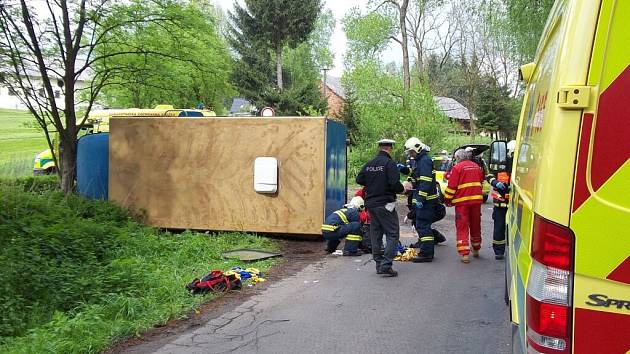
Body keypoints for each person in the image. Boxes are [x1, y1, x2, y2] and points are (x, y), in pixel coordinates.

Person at [356, 138, 407, 277]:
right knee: (392, 233)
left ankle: (379, 264)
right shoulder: (389, 163)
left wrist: (372, 183)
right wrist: (404, 190)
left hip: (371, 204)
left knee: (376, 234)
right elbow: (394, 184)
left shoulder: (369, 164)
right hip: (385, 204)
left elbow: (359, 179)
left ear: (379, 148)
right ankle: (386, 265)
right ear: (390, 148)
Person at [400, 137, 440, 263]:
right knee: (420, 224)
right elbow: (415, 177)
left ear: (417, 148)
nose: (411, 154)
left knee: (423, 225)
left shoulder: (424, 161)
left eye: (411, 152)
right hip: (425, 199)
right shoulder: (420, 160)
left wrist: (420, 198)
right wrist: (408, 180)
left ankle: (427, 254)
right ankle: (425, 250)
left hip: (427, 200)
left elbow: (425, 182)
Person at [443, 148, 485, 263]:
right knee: (476, 225)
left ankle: (465, 254)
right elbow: (481, 182)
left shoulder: (457, 168)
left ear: (457, 158)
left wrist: (447, 200)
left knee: (462, 227)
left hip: (462, 203)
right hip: (476, 202)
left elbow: (451, 187)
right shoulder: (476, 166)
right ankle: (476, 249)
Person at [486, 140, 516, 260]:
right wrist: (495, 182)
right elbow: (489, 175)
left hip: (516, 204)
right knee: (499, 228)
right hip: (500, 204)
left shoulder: (522, 165)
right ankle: (499, 251)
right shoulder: (500, 163)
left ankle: (513, 249)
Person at [354, 187, 372, 253]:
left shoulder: (374, 192)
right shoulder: (359, 194)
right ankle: (361, 244)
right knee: (361, 226)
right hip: (359, 208)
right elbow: (357, 206)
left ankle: (366, 244)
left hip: (369, 207)